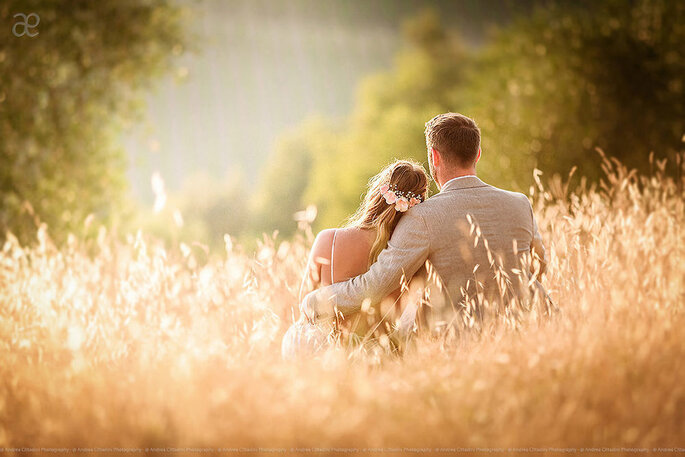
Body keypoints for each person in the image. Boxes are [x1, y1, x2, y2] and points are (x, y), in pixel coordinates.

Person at [300, 112, 549, 325]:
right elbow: (539, 267)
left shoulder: (422, 217)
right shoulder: (520, 203)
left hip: (457, 343)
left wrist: (315, 302)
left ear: (434, 157)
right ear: (478, 154)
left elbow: (375, 286)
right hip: (530, 329)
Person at [281, 160, 429, 359]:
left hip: (324, 358)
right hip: (377, 362)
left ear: (376, 193)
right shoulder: (410, 257)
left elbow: (306, 309)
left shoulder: (328, 240)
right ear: (418, 205)